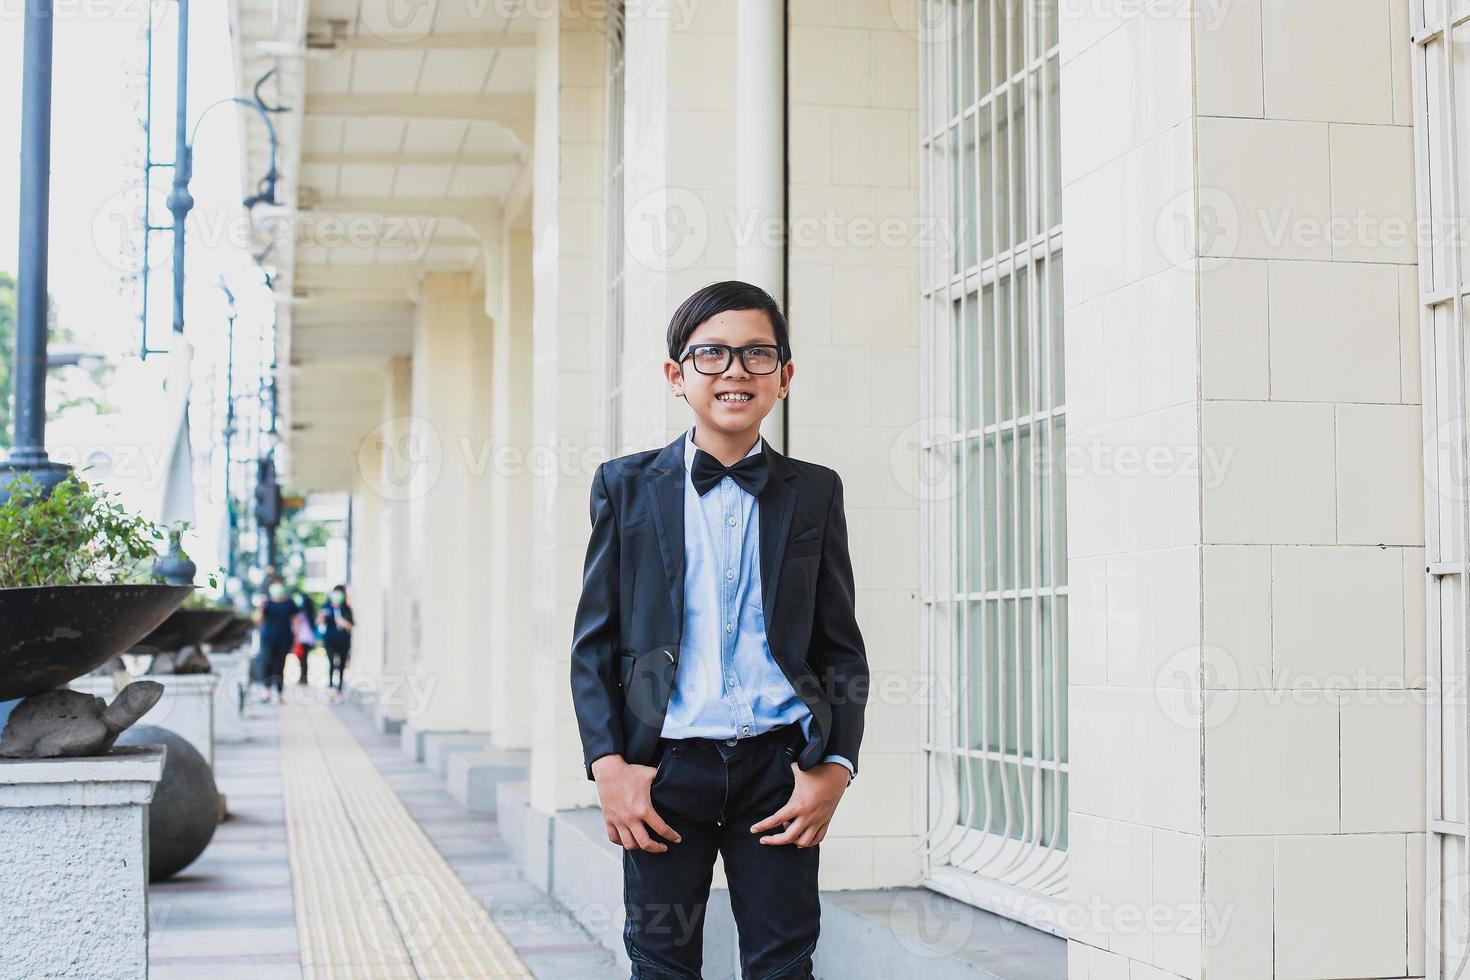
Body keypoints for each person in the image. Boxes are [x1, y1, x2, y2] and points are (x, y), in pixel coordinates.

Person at [570, 280, 869, 979]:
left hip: (779, 769)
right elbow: (595, 644)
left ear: (784, 377)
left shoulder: (815, 491)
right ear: (677, 376)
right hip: (664, 767)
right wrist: (608, 766)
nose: (734, 370)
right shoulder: (627, 486)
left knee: (783, 963)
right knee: (662, 961)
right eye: (711, 354)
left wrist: (837, 765)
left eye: (757, 354)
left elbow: (838, 643)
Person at [252, 577, 299, 703]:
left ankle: (278, 691)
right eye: (275, 584)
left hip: (285, 638)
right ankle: (266, 691)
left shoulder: (289, 603)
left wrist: (296, 638)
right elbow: (258, 621)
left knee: (280, 664)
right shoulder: (266, 603)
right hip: (268, 638)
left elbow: (295, 621)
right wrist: (261, 607)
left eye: (280, 584)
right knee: (267, 662)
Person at [318, 584, 354, 698]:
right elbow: (319, 622)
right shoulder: (326, 607)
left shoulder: (346, 609)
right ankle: (330, 685)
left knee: (342, 664)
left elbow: (351, 625)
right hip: (330, 640)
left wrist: (343, 622)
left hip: (343, 640)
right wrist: (321, 618)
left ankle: (339, 688)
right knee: (331, 663)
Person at [291, 589, 318, 685]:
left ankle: (303, 677)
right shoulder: (308, 613)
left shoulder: (301, 613)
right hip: (306, 638)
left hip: (302, 638)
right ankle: (303, 677)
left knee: (302, 659)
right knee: (303, 659)